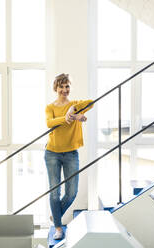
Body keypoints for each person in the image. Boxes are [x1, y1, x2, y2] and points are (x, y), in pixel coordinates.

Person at [44, 73, 93, 240]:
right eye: (61, 87)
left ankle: (55, 215)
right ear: (55, 88)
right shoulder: (50, 107)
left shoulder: (75, 104)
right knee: (54, 192)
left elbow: (91, 103)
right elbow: (50, 123)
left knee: (72, 192)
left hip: (71, 153)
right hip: (52, 153)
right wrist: (67, 117)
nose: (64, 90)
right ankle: (58, 227)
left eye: (67, 87)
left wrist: (74, 112)